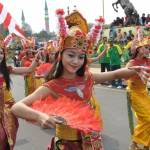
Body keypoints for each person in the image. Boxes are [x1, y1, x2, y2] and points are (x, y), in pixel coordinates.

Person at [11, 22, 150, 150]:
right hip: (66, 145)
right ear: (60, 55)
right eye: (71, 55)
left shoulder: (87, 78)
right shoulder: (52, 86)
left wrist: (135, 69)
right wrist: (40, 116)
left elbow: (114, 74)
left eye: (81, 57)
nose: (76, 61)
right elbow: (17, 107)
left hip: (91, 141)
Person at [0, 43, 40, 150]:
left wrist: (36, 59)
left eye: (0, 53)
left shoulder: (7, 70)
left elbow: (29, 70)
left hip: (8, 110)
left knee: (6, 138)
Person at [126, 37, 150, 150]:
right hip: (134, 93)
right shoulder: (132, 62)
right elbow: (125, 74)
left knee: (146, 119)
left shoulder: (147, 61)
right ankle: (134, 143)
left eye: (149, 48)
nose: (148, 50)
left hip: (144, 92)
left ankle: (146, 145)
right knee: (147, 119)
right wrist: (136, 69)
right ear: (139, 48)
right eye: (146, 47)